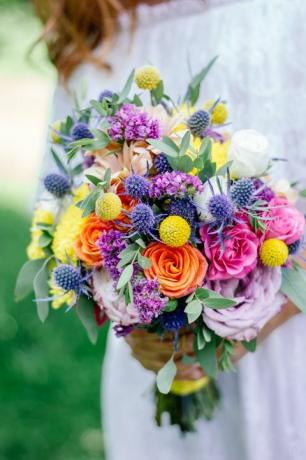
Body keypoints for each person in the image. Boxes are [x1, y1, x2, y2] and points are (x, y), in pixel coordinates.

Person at [34, 1, 306, 459]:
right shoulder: (92, 29)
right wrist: (134, 313)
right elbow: (61, 207)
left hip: (288, 356)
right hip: (151, 364)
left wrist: (249, 323)